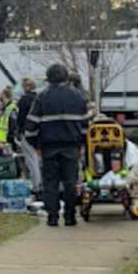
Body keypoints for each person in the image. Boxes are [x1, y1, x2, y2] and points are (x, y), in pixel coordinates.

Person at [25, 63, 88, 227]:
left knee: (50, 183)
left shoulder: (42, 97)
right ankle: (70, 216)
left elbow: (30, 127)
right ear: (66, 77)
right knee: (70, 182)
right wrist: (81, 144)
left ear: (48, 79)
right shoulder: (77, 96)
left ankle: (52, 217)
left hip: (49, 147)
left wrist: (36, 144)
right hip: (71, 147)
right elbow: (85, 126)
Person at [17, 77, 42, 198]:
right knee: (37, 159)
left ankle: (36, 186)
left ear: (25, 87)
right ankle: (40, 183)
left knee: (31, 160)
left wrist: (19, 130)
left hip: (27, 133)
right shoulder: (39, 98)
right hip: (39, 133)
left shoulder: (24, 100)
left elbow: (20, 118)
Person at [0, 85, 19, 154]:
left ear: (6, 97)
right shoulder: (4, 108)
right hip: (1, 140)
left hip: (8, 140)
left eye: (2, 99)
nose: (0, 102)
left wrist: (8, 139)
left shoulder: (12, 108)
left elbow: (13, 125)